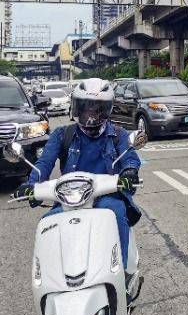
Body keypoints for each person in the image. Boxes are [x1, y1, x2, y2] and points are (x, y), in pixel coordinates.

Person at [12, 78, 142, 273]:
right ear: (76, 108)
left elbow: (129, 156)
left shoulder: (118, 134)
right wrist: (33, 185)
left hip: (106, 196)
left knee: (117, 214)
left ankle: (120, 274)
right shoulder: (61, 134)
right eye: (85, 106)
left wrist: (130, 171)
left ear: (105, 110)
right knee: (47, 225)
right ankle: (52, 279)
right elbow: (44, 163)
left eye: (96, 108)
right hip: (70, 199)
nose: (90, 112)